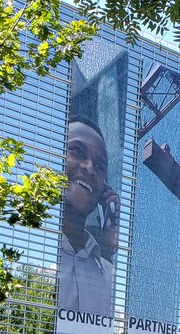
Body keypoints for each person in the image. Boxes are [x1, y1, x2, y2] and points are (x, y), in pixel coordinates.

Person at [58, 116, 116, 316]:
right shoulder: (34, 249)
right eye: (76, 151)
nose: (89, 167)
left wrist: (114, 243)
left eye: (99, 166)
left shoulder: (108, 274)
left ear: (103, 190)